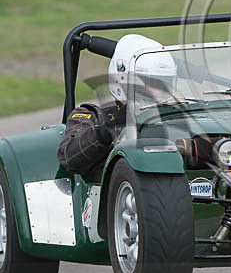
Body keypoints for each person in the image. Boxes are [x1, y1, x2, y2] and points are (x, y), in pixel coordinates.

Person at [56, 34, 178, 179]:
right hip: (114, 198)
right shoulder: (93, 116)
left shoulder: (176, 117)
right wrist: (109, 129)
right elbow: (70, 158)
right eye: (147, 82)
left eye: (162, 83)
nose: (155, 91)